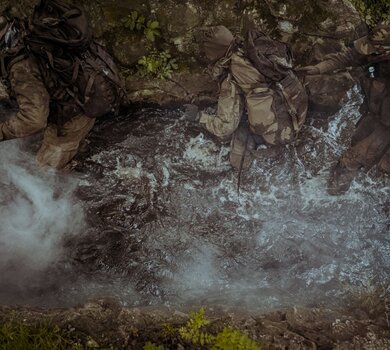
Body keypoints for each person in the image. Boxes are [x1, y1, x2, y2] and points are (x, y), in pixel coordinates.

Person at [0, 3, 124, 169]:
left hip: (75, 114)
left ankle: (75, 159)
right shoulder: (22, 30)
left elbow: (34, 120)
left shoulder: (21, 68)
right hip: (83, 91)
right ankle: (79, 154)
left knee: (42, 175)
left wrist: (2, 132)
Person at [184, 25, 308, 170]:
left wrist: (198, 116)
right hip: (298, 114)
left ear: (213, 53)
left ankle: (261, 151)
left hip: (281, 134)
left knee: (237, 150)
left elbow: (225, 127)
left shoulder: (232, 76)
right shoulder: (252, 51)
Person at [299, 22, 390, 195]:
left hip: (387, 126)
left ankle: (330, 198)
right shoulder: (379, 41)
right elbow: (348, 56)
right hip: (374, 114)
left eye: (376, 53)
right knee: (357, 143)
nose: (370, 55)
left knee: (351, 160)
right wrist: (318, 68)